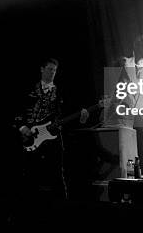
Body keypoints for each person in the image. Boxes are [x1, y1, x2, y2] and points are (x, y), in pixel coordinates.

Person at [15, 58, 89, 203]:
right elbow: (18, 109)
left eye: (54, 70)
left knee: (57, 174)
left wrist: (82, 116)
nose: (52, 73)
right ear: (42, 69)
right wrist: (23, 127)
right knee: (29, 174)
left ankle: (61, 207)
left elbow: (69, 112)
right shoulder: (29, 88)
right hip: (31, 136)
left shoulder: (60, 91)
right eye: (49, 69)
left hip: (53, 137)